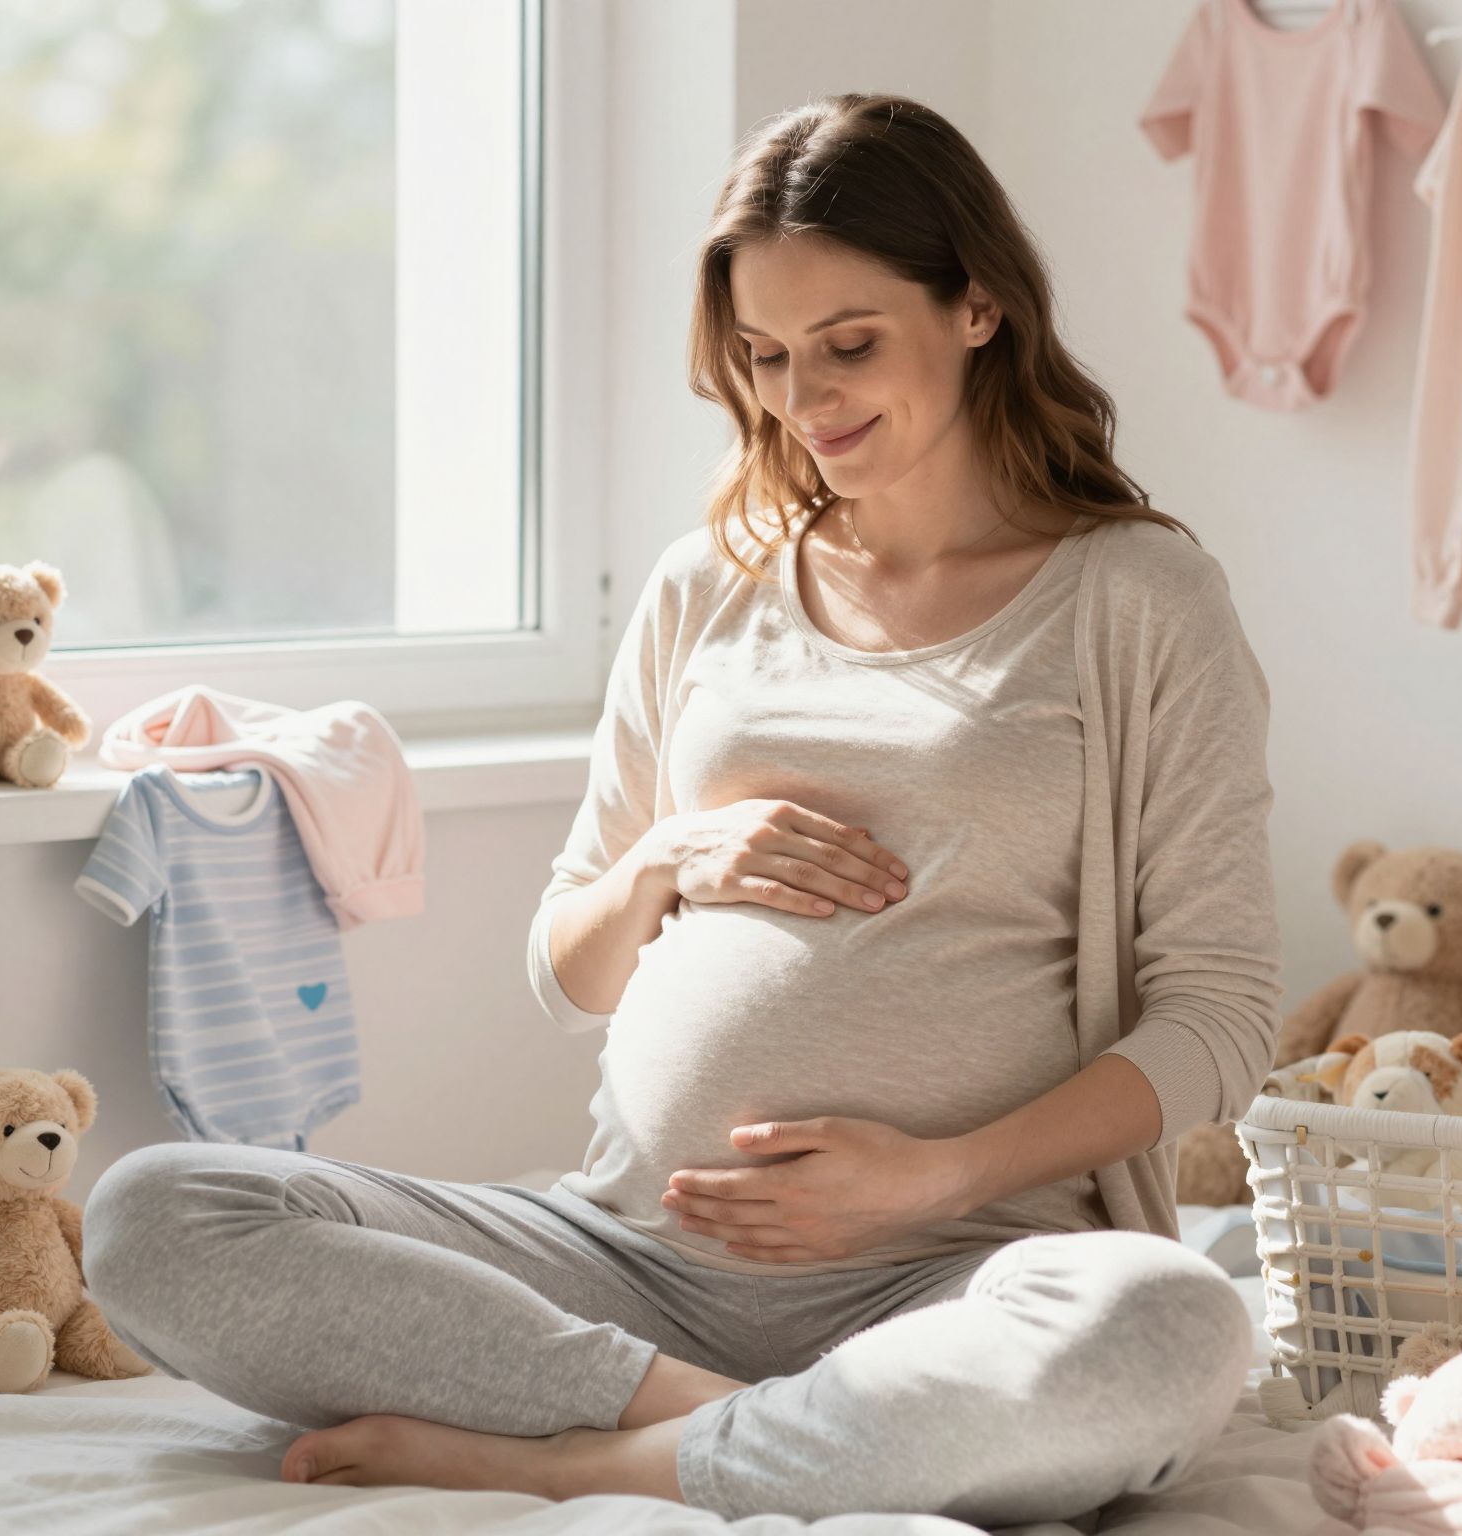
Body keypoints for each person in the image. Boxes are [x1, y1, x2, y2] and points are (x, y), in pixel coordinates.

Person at [82, 91, 1286, 1524]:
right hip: (627, 1260)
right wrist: (660, 861)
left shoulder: (1138, 599)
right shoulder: (705, 587)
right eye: (767, 357)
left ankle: (596, 1458)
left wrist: (927, 1178)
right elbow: (566, 968)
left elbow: (1220, 1018)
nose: (806, 400)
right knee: (157, 1215)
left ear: (978, 309)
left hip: (954, 1270)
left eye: (850, 346)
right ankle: (728, 1426)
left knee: (1171, 1327)